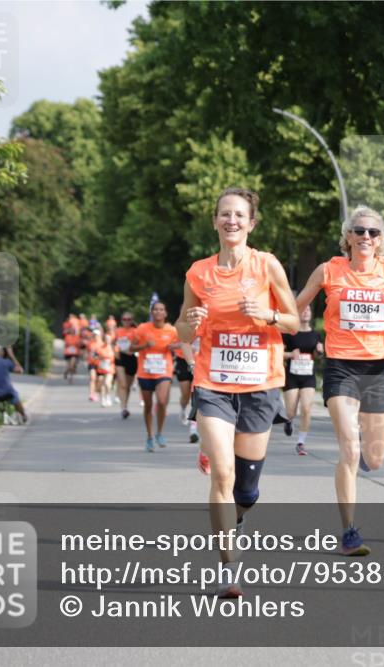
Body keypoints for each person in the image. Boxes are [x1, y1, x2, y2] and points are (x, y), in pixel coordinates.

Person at [176, 187, 298, 597]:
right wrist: (190, 322)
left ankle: (239, 515)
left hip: (260, 386)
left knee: (246, 489)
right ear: (215, 221)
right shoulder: (199, 272)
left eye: (239, 215)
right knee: (223, 474)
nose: (231, 221)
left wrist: (269, 315)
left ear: (251, 223)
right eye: (224, 214)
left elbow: (296, 322)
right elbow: (182, 329)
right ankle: (229, 568)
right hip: (213, 383)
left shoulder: (267, 266)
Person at [295, 205, 384, 556]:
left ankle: (366, 454)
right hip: (341, 368)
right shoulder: (328, 270)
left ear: (382, 240)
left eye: (374, 232)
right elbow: (297, 306)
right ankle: (349, 531)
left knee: (375, 458)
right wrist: (269, 318)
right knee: (349, 449)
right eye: (360, 231)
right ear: (348, 236)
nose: (366, 237)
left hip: (378, 368)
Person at [131, 301, 180, 452]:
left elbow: (182, 344)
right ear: (152, 313)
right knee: (148, 406)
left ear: (165, 313)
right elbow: (130, 347)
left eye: (161, 310)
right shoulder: (142, 328)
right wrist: (144, 346)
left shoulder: (172, 330)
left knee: (162, 401)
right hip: (145, 372)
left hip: (163, 371)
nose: (158, 312)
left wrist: (173, 347)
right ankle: (150, 436)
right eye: (156, 310)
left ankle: (159, 432)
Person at [281, 304, 323, 455]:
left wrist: (319, 352)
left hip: (308, 377)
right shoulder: (289, 333)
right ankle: (289, 421)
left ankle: (301, 442)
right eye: (302, 310)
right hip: (292, 376)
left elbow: (317, 357)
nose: (306, 312)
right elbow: (277, 353)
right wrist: (291, 354)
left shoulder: (316, 335)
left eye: (308, 310)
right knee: (291, 411)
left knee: (306, 408)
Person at [0, 345, 28, 423]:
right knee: (15, 395)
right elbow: (20, 370)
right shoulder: (7, 362)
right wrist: (11, 355)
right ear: (2, 353)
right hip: (8, 393)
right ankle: (23, 415)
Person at [113, 312, 138, 419]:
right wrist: (115, 351)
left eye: (129, 319)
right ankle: (123, 408)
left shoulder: (135, 331)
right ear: (121, 320)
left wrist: (133, 349)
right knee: (122, 384)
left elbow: (139, 344)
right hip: (120, 357)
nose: (126, 321)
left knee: (128, 386)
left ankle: (125, 404)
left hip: (132, 358)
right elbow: (112, 343)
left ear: (132, 320)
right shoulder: (118, 331)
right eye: (124, 319)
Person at [94, 331, 116, 407]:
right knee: (101, 383)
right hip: (101, 368)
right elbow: (95, 356)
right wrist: (99, 359)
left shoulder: (113, 348)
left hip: (110, 368)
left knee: (107, 383)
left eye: (108, 339)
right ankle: (103, 399)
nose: (107, 340)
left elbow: (118, 357)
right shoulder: (100, 348)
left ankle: (108, 396)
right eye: (106, 339)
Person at [62, 318, 82, 383]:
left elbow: (79, 345)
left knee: (72, 365)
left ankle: (71, 378)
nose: (73, 332)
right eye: (72, 330)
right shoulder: (67, 336)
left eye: (74, 331)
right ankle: (66, 372)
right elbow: (66, 344)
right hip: (68, 353)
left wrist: (78, 345)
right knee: (69, 366)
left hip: (75, 353)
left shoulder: (77, 337)